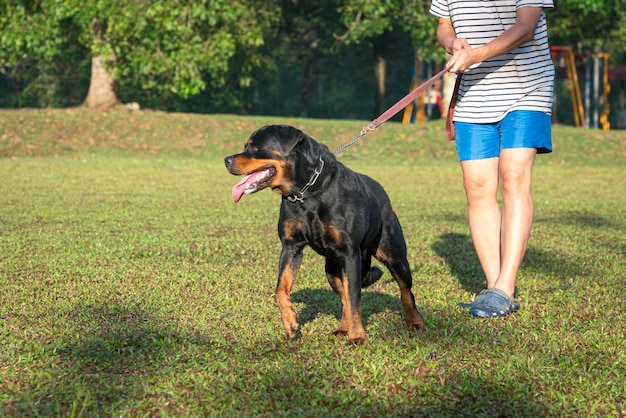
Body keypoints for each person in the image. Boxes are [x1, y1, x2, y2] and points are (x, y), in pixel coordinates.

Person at [429, 0, 555, 317]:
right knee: (476, 187)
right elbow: (444, 24)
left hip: (526, 87)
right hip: (474, 94)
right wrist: (451, 42)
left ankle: (504, 287)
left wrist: (476, 54)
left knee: (513, 177)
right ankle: (494, 285)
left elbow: (526, 27)